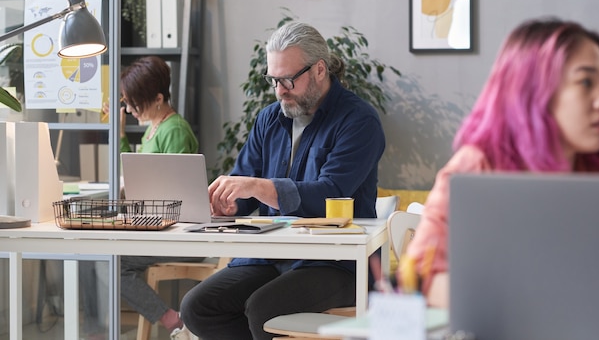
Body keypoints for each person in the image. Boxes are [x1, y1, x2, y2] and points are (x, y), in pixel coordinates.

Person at [178, 21, 386, 340]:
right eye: (273, 80)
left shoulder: (359, 122)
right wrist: (226, 202)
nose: (279, 90)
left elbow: (330, 195)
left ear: (319, 70)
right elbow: (244, 193)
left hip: (336, 262)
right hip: (272, 254)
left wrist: (259, 186)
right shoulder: (269, 119)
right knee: (198, 307)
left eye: (288, 79)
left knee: (264, 308)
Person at [399, 18, 599, 308]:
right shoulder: (477, 167)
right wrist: (533, 303)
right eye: (586, 82)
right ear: (534, 90)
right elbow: (419, 277)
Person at [82, 56, 201, 339]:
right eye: (128, 101)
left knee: (110, 259)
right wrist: (121, 134)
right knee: (96, 252)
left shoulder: (175, 130)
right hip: (159, 227)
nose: (130, 108)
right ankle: (108, 326)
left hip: (179, 232)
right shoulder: (153, 129)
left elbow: (177, 195)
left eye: (134, 103)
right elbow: (137, 177)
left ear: (159, 98)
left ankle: (171, 319)